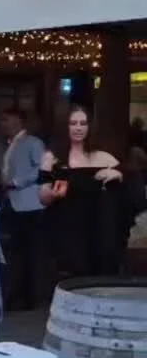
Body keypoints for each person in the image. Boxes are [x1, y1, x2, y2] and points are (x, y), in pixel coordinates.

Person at [39, 104, 127, 277]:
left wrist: (118, 174)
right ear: (65, 127)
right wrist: (52, 194)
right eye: (73, 123)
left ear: (89, 127)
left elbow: (128, 189)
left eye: (83, 123)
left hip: (98, 231)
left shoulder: (104, 157)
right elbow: (42, 197)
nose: (78, 128)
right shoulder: (52, 158)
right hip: (65, 230)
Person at [0, 106, 46, 311]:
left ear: (18, 121)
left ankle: (31, 297)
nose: (3, 124)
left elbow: (40, 170)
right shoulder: (9, 144)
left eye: (7, 120)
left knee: (30, 252)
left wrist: (16, 182)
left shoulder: (33, 143)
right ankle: (17, 293)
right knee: (16, 252)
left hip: (30, 205)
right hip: (13, 203)